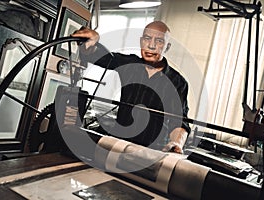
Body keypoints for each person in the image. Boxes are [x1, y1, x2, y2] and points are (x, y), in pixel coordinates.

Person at [72, 21, 190, 154]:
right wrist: (90, 44)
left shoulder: (178, 82)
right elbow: (99, 56)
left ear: (167, 47)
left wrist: (176, 143)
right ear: (141, 41)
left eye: (159, 41)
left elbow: (179, 122)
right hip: (119, 147)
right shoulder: (129, 64)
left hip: (152, 153)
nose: (151, 46)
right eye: (147, 38)